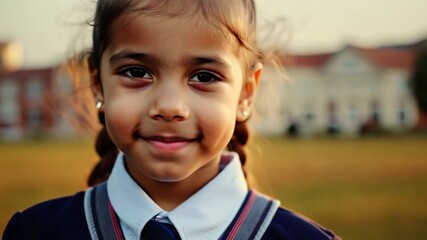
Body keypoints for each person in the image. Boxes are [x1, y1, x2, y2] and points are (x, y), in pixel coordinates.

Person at [3, 0, 341, 239]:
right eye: (137, 72)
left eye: (205, 76)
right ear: (96, 81)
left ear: (246, 93)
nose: (169, 107)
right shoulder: (35, 232)